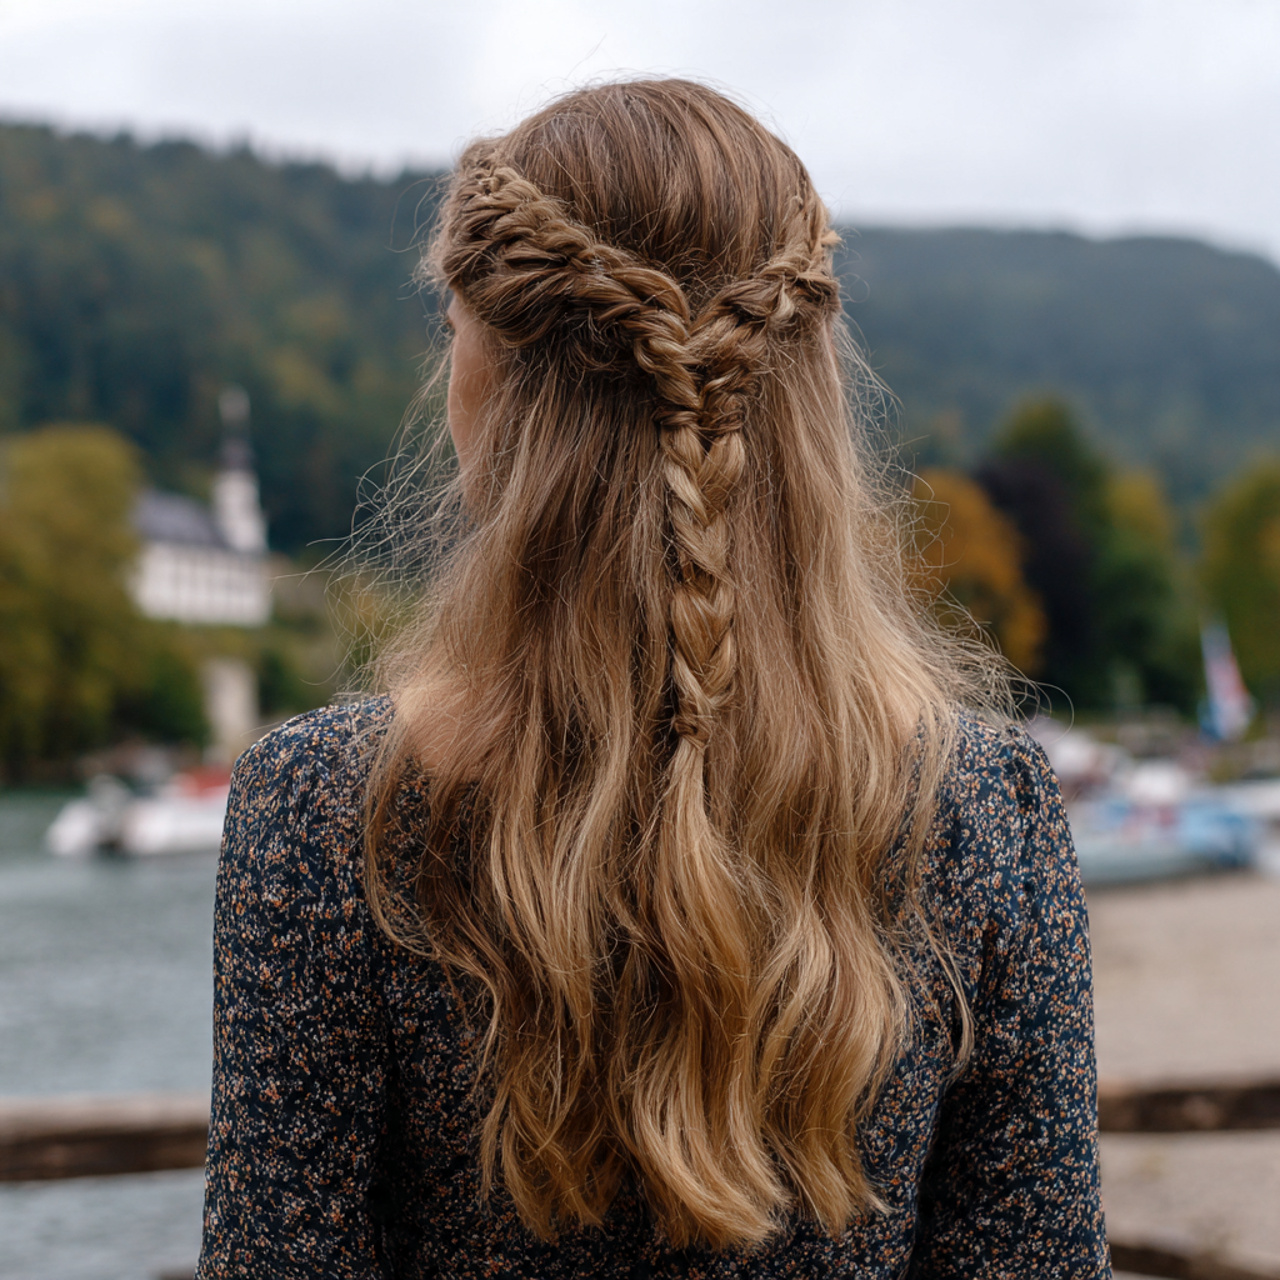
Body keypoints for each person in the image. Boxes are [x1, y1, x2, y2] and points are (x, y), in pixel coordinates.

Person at [195, 79, 1109, 1278]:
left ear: (492, 392)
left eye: (451, 331)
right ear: (808, 396)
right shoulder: (979, 804)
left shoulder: (328, 811)